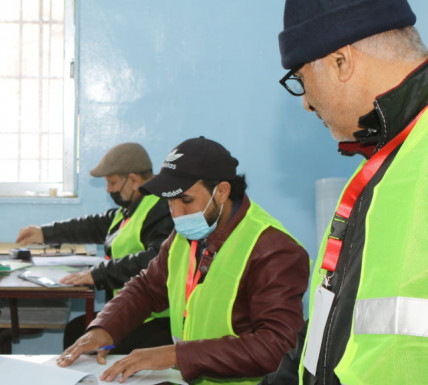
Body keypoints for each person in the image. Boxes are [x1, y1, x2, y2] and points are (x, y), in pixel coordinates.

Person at [263, 1, 428, 384]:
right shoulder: (388, 159)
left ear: (341, 61)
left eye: (301, 79)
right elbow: (328, 330)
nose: (305, 103)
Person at [57, 137, 310, 384]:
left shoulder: (274, 250)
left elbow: (276, 347)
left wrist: (175, 355)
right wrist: (104, 328)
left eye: (186, 200)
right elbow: (147, 288)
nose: (176, 214)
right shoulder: (188, 232)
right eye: (170, 201)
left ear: (222, 191)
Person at [15, 142, 175, 353]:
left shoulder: (161, 208)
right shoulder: (130, 209)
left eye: (112, 183)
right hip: (131, 311)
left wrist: (99, 274)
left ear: (134, 180)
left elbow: (155, 260)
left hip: (157, 317)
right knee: (76, 330)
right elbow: (94, 225)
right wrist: (44, 233)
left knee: (80, 337)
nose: (108, 190)